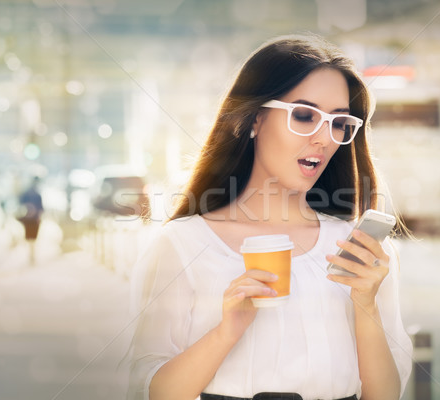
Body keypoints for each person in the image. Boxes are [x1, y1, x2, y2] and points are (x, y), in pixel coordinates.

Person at [126, 34, 413, 400]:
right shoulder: (183, 245)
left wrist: (365, 304)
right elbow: (152, 392)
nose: (324, 138)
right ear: (253, 120)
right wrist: (227, 330)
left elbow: (385, 395)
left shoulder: (357, 250)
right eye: (305, 115)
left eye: (339, 122)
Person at [17, 176, 44, 264]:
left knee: (29, 237)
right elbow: (41, 208)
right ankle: (32, 254)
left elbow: (20, 203)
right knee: (32, 238)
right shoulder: (37, 194)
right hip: (34, 219)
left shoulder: (26, 193)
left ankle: (31, 254)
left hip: (28, 219)